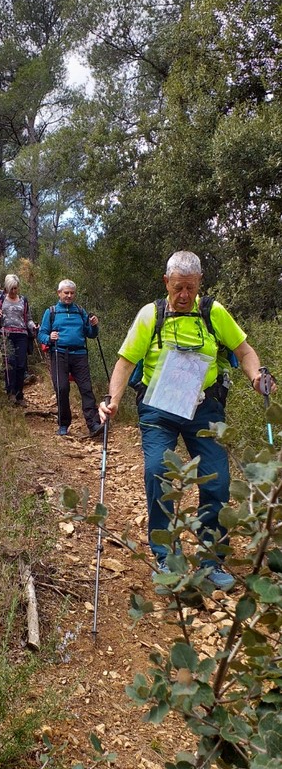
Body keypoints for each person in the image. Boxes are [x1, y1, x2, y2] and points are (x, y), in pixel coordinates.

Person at [99, 250, 277, 591]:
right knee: (157, 471)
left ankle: (211, 559)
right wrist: (114, 400)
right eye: (178, 287)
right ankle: (166, 557)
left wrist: (256, 376)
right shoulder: (151, 315)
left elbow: (244, 351)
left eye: (190, 289)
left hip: (204, 407)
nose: (184, 296)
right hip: (158, 408)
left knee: (217, 481)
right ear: (166, 282)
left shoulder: (213, 312)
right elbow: (124, 362)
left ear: (199, 284)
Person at [38, 279, 101, 436]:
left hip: (79, 354)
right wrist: (49, 337)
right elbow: (41, 334)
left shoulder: (80, 311)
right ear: (59, 293)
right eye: (66, 293)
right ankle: (63, 424)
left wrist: (94, 325)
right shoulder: (51, 312)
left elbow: (91, 334)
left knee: (86, 389)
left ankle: (94, 424)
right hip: (59, 353)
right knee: (62, 388)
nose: (69, 296)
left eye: (72, 293)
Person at [0, 274, 38, 405]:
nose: (13, 291)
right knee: (10, 364)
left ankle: (19, 394)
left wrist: (34, 327)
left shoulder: (24, 300)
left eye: (16, 288)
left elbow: (28, 319)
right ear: (6, 287)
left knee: (21, 365)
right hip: (5, 334)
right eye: (11, 288)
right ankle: (10, 393)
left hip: (22, 335)